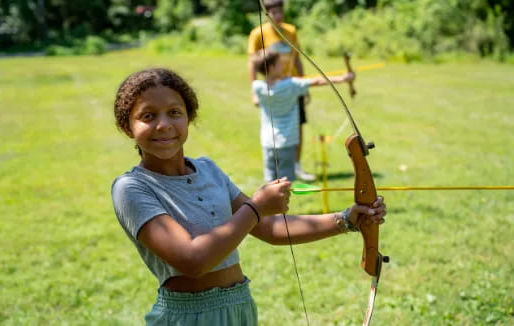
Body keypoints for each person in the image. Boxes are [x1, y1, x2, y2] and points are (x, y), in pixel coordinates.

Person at [111, 67, 384, 326]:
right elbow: (194, 261)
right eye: (148, 116)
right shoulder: (132, 188)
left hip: (240, 306)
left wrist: (347, 219)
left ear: (189, 117)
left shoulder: (207, 169)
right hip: (189, 316)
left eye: (174, 112)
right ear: (127, 127)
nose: (164, 125)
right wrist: (255, 208)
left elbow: (269, 227)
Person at [252, 51, 355, 183]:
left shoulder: (257, 87)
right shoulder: (290, 85)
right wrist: (343, 78)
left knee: (270, 180)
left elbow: (269, 86)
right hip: (286, 142)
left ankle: (268, 203)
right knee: (284, 183)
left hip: (267, 142)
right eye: (279, 65)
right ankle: (282, 204)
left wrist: (282, 79)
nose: (282, 67)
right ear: (271, 68)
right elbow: (316, 81)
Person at [248, 0, 315, 181]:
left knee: (297, 126)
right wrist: (254, 91)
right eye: (274, 12)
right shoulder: (257, 34)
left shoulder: (290, 31)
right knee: (275, 125)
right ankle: (275, 167)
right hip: (275, 89)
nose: (278, 16)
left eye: (280, 12)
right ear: (267, 14)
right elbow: (253, 63)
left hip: (293, 87)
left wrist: (304, 85)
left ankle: (296, 165)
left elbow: (297, 58)